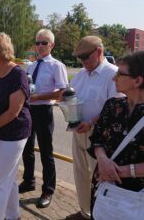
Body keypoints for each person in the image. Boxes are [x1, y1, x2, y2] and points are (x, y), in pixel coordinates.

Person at [65, 36, 121, 220]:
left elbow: (116, 108)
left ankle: (98, 214)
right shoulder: (81, 74)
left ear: (99, 52)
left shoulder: (113, 74)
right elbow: (71, 96)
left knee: (99, 179)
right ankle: (84, 212)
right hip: (79, 131)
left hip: (100, 137)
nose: (82, 61)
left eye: (85, 57)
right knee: (80, 174)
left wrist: (91, 122)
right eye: (79, 58)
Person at [0, 32, 32, 219]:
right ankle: (13, 215)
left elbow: (13, 112)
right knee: (8, 177)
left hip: (14, 133)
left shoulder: (18, 74)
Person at [88, 51, 144, 218]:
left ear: (138, 80)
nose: (114, 78)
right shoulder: (113, 104)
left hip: (136, 197)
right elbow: (97, 139)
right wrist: (103, 161)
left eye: (119, 74)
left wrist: (121, 172)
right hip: (104, 186)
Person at [20, 28, 68, 208]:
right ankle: (28, 181)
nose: (40, 46)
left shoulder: (57, 66)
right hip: (29, 110)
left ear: (52, 45)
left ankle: (48, 189)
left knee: (46, 151)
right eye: (37, 42)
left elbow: (62, 93)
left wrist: (38, 97)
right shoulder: (31, 65)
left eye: (44, 43)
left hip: (44, 111)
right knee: (27, 147)